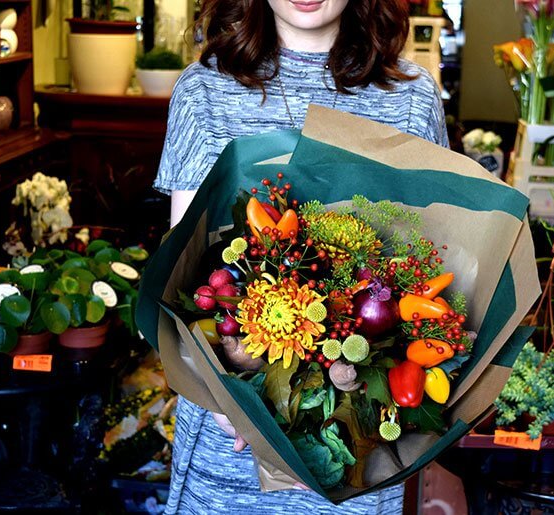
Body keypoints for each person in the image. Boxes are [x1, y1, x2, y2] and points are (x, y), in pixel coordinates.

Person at [154, 0, 448, 512]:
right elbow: (182, 287)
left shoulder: (410, 99)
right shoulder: (205, 92)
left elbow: (433, 265)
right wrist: (230, 404)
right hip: (232, 446)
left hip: (356, 454)